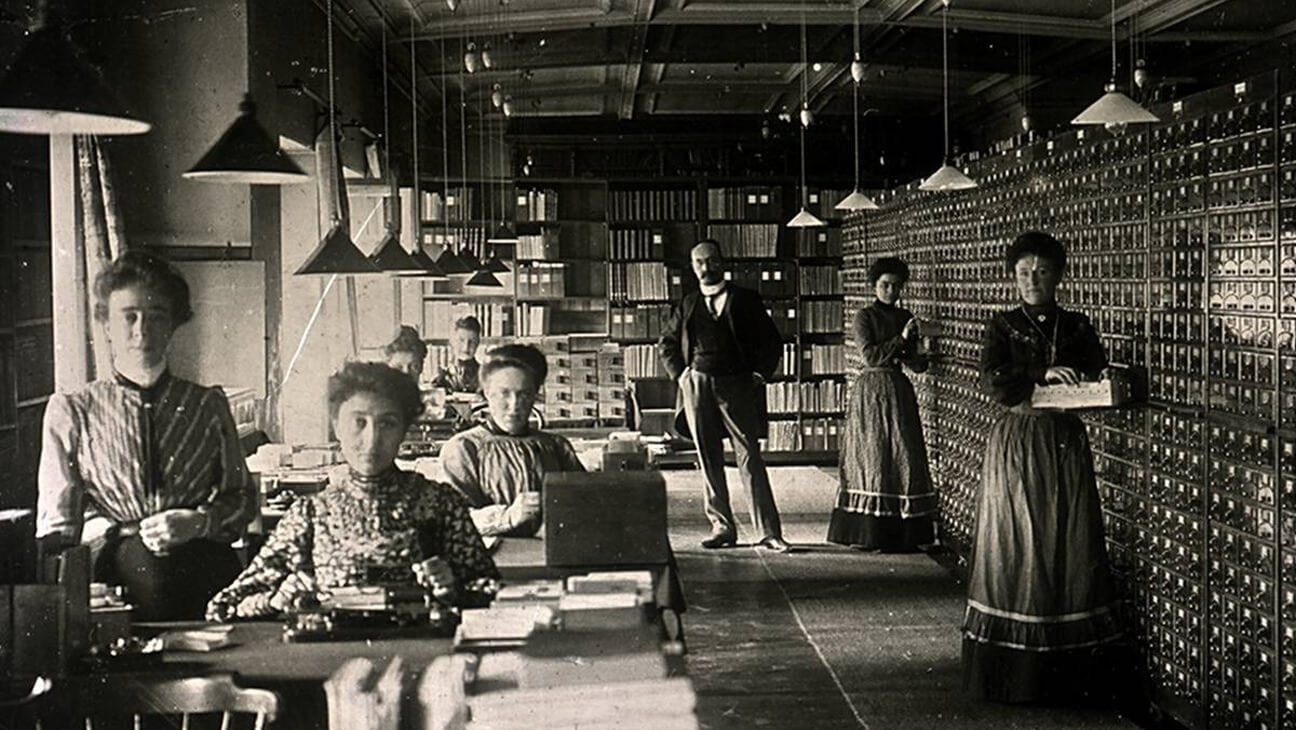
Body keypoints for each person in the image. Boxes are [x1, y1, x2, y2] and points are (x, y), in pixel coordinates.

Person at [36, 250, 255, 621]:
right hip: (116, 574)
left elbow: (242, 499)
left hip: (203, 568)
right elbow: (58, 525)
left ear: (173, 325)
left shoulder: (206, 406)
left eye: (157, 316)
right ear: (106, 325)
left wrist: (198, 522)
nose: (143, 331)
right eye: (129, 317)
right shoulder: (73, 411)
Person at [206, 362, 500, 620]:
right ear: (336, 426)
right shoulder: (310, 515)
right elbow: (223, 607)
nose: (372, 439)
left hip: (419, 652)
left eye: (388, 423)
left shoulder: (439, 504)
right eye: (358, 422)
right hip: (331, 659)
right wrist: (274, 600)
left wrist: (454, 588)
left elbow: (493, 591)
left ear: (404, 430)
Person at [962, 231, 1122, 703]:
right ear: (1013, 277)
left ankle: (1067, 671)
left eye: (1042, 271)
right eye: (1023, 272)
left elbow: (1094, 372)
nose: (1032, 280)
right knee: (1018, 541)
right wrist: (1039, 374)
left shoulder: (1076, 326)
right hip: (1020, 440)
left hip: (1065, 442)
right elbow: (994, 380)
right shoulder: (1002, 324)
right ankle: (1016, 674)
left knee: (1067, 540)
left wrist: (1106, 376)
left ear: (1059, 276)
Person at [657, 239, 789, 552]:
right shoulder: (688, 304)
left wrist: (758, 375)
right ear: (693, 267)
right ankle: (722, 528)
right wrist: (682, 375)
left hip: (737, 385)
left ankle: (769, 532)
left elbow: (771, 342)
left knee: (749, 457)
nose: (706, 267)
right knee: (708, 457)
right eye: (699, 262)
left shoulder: (746, 299)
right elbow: (666, 343)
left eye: (711, 260)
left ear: (722, 262)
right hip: (697, 386)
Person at [828, 257, 936, 551]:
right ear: (874, 286)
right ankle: (869, 533)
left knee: (903, 453)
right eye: (885, 285)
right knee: (872, 455)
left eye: (896, 286)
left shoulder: (906, 316)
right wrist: (900, 339)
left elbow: (917, 367)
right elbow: (871, 357)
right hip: (872, 390)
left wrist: (921, 350)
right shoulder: (864, 316)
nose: (890, 291)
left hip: (899, 389)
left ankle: (903, 534)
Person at [440, 344, 585, 537]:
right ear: (486, 393)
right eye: (504, 393)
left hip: (551, 552)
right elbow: (450, 520)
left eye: (524, 394)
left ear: (535, 395)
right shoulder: (464, 449)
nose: (514, 405)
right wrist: (507, 517)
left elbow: (585, 503)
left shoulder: (556, 446)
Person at [431, 315, 483, 394]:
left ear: (478, 343)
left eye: (472, 341)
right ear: (452, 341)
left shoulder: (484, 375)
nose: (466, 347)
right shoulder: (442, 375)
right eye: (461, 340)